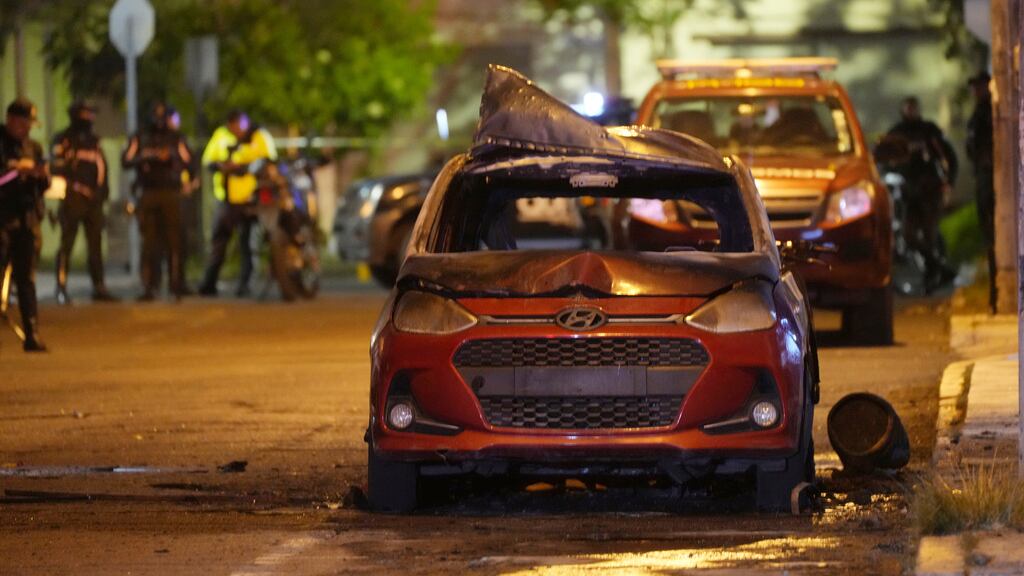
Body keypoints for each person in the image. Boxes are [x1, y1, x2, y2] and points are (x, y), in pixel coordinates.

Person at [198, 110, 277, 297]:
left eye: (239, 126)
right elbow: (208, 161)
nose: (236, 131)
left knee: (248, 243)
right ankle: (209, 283)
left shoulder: (259, 136)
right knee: (219, 242)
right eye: (232, 126)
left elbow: (270, 160)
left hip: (252, 198)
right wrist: (222, 166)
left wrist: (245, 167)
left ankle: (245, 284)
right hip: (227, 199)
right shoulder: (221, 135)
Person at [886, 96, 959, 294]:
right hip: (909, 193)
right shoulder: (896, 133)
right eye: (908, 108)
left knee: (930, 234)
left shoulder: (928, 131)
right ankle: (938, 268)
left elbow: (949, 156)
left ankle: (932, 275)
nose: (911, 111)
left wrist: (948, 181)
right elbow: (884, 157)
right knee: (909, 235)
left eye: (914, 108)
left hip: (929, 191)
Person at [122, 102, 193, 301]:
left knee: (174, 240)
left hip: (171, 192)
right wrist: (147, 157)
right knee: (150, 242)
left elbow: (189, 160)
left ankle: (176, 285)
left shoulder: (175, 138)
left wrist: (171, 158)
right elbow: (126, 160)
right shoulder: (140, 137)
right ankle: (150, 286)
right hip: (148, 192)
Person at [51, 100, 118, 304]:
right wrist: (72, 185)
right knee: (67, 244)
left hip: (93, 201)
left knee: (95, 245)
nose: (90, 118)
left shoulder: (94, 141)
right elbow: (55, 167)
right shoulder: (63, 139)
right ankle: (61, 287)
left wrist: (101, 193)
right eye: (86, 113)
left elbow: (102, 170)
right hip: (72, 199)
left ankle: (99, 286)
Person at [0, 99, 48, 351]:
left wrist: (41, 175)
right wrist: (17, 173)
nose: (27, 129)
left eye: (30, 124)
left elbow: (44, 185)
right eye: (23, 123)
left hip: (27, 219)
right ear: (11, 120)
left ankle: (32, 334)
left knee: (26, 279)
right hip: (2, 218)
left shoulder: (33, 147)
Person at [966, 71, 995, 313]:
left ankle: (996, 295)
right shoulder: (978, 113)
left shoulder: (990, 111)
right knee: (989, 239)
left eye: (979, 86)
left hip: (992, 179)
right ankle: (994, 296)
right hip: (983, 178)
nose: (976, 91)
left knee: (993, 238)